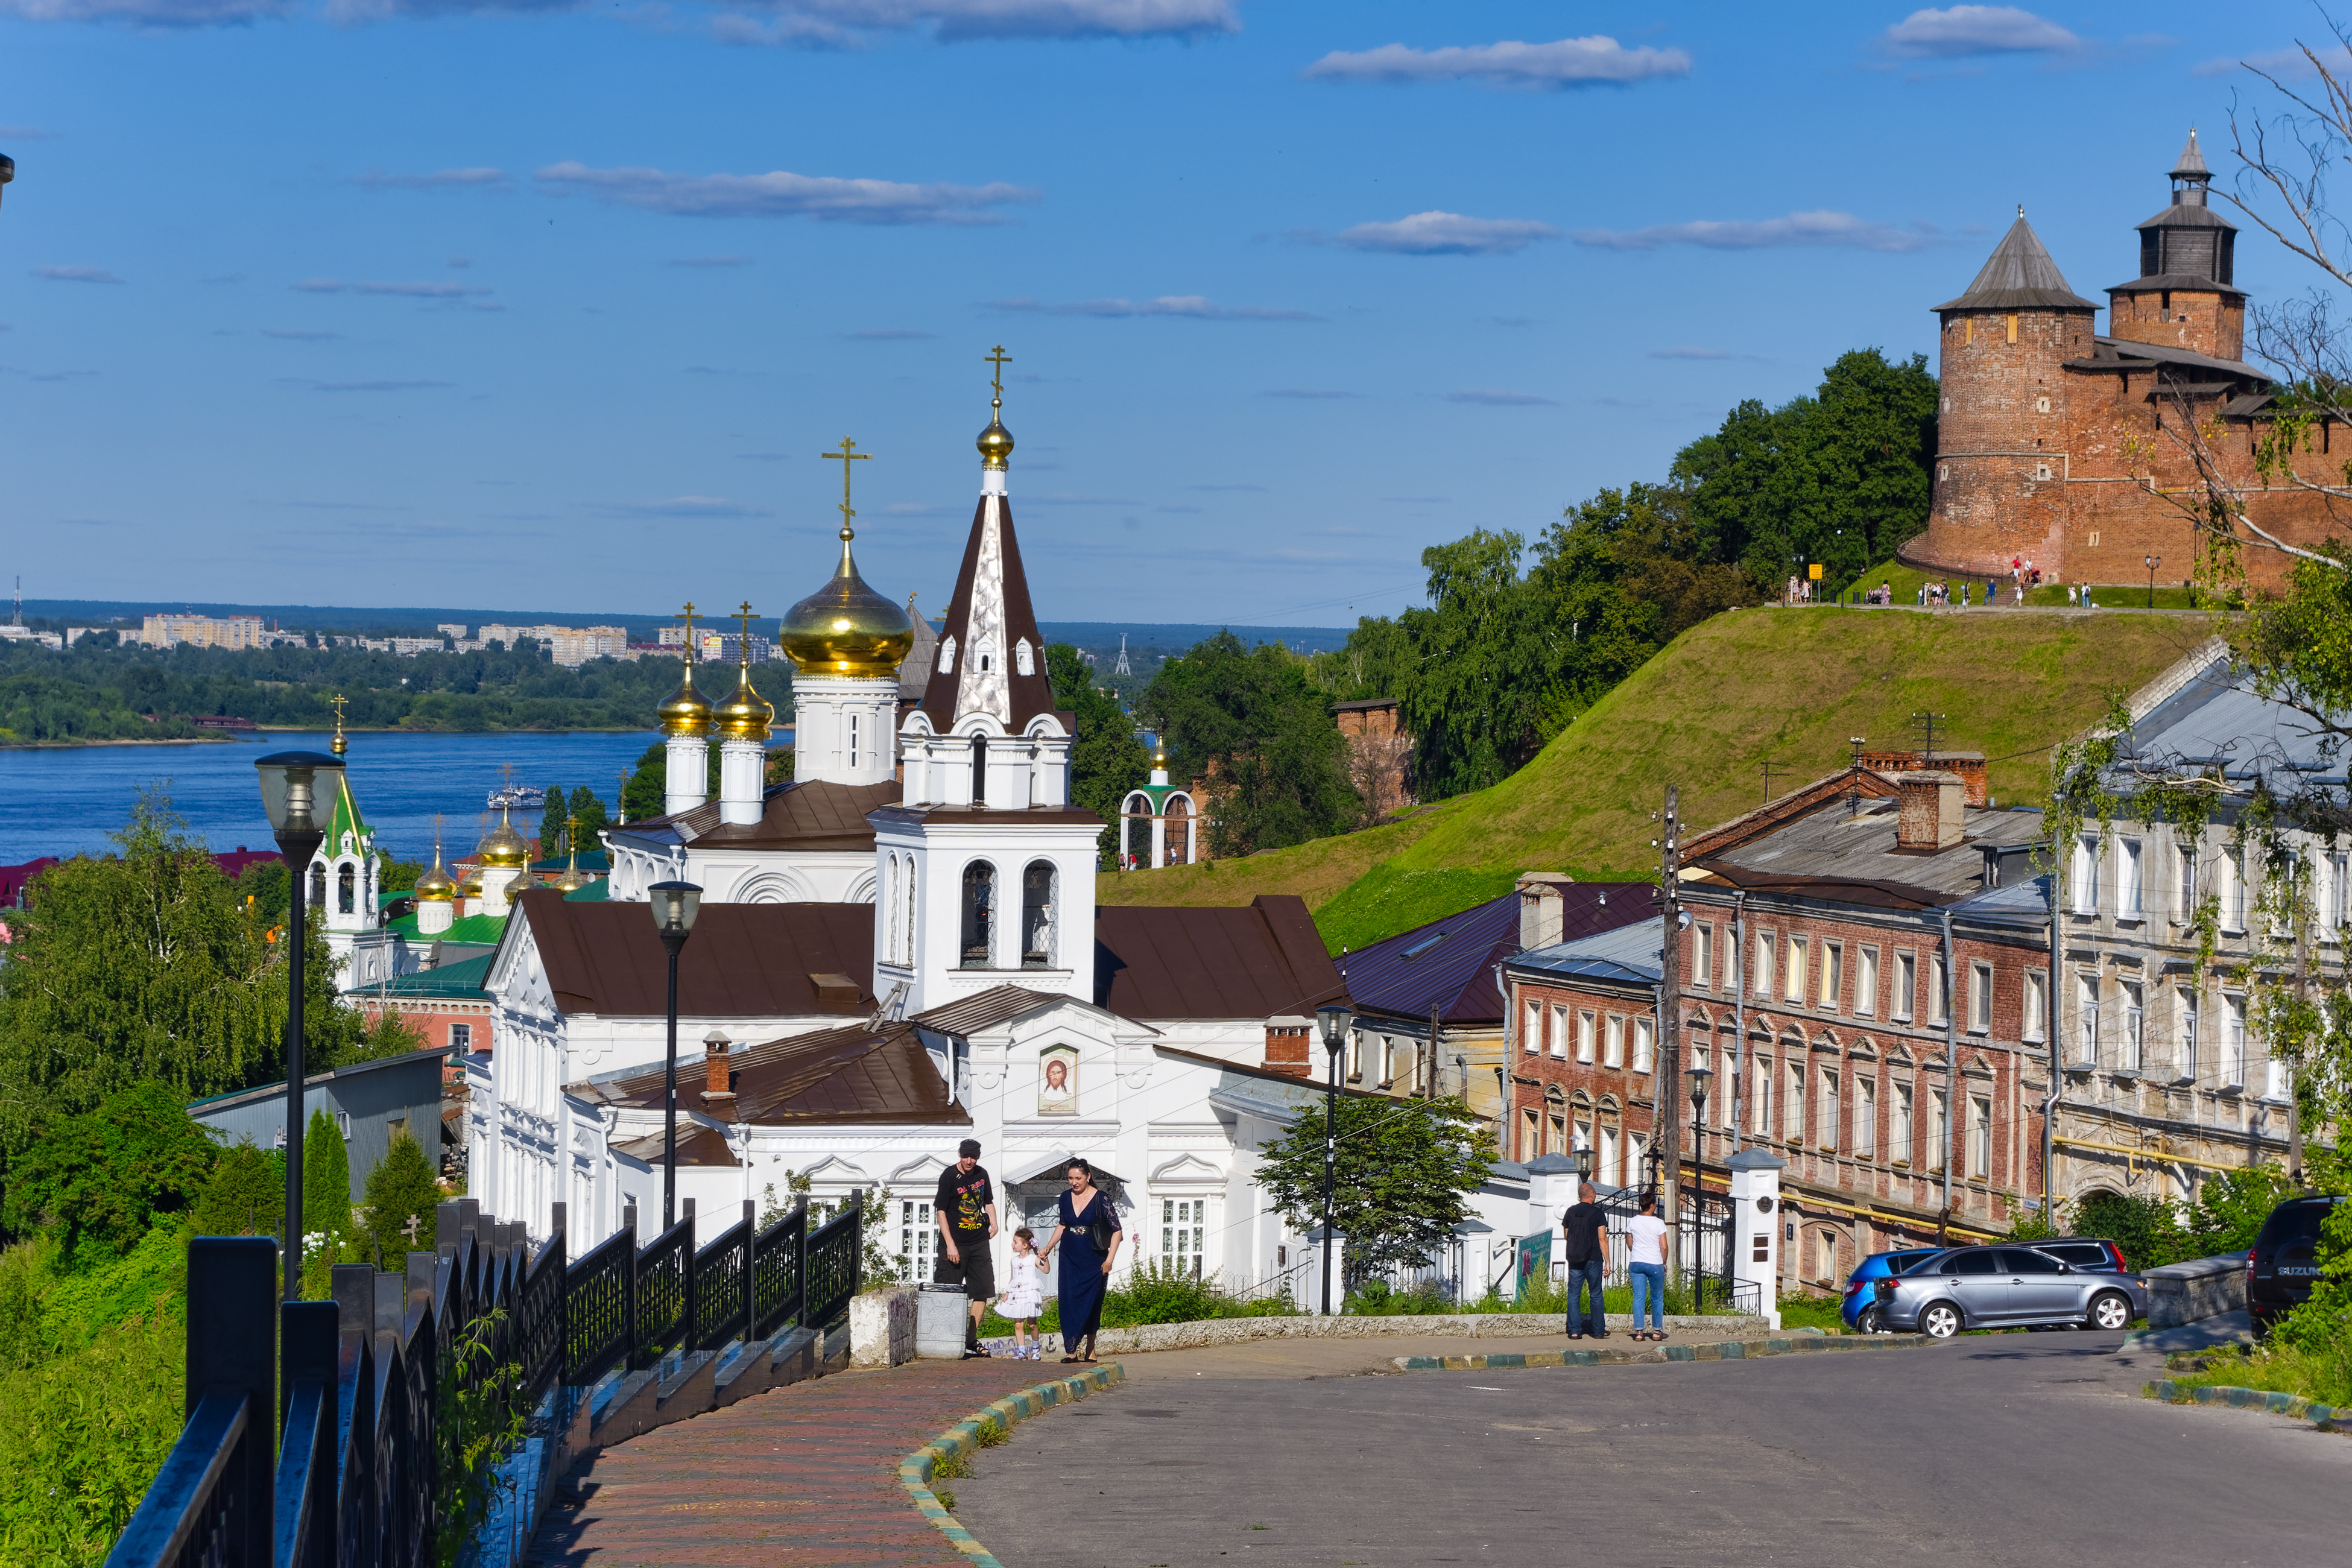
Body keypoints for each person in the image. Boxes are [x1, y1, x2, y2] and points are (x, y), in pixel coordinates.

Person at [1039, 1156, 1122, 1364]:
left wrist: (1109, 1260)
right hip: (1069, 1255)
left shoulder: (1100, 1198)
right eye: (1070, 1178)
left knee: (1092, 1303)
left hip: (1094, 1258)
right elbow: (1063, 1224)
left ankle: (1091, 1349)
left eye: (1078, 1178)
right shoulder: (1065, 1198)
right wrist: (1049, 1247)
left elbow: (1117, 1231)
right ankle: (1071, 1350)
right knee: (1068, 1301)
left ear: (1088, 1177)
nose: (1074, 1182)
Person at [934, 1138, 999, 1359]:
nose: (969, 1161)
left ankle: (971, 1339)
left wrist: (995, 1221)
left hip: (979, 1241)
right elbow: (940, 1211)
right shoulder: (949, 1176)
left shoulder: (982, 1174)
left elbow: (987, 1201)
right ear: (959, 1154)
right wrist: (950, 1244)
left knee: (982, 1292)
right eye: (966, 1156)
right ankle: (946, 1339)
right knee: (948, 1293)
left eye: (973, 1157)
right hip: (955, 1244)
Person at [1560, 1181, 1607, 1340]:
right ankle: (1599, 1331)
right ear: (1593, 1196)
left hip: (1575, 1259)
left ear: (1579, 1197)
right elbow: (1602, 1239)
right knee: (1595, 1294)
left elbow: (1566, 1236)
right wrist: (1607, 1261)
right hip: (1594, 1259)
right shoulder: (1598, 1213)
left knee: (1574, 1295)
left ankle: (1574, 1331)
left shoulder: (1570, 1212)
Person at [999, 1227, 1048, 1361]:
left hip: (1029, 1294)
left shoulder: (1033, 1259)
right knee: (1018, 1323)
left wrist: (1046, 1259)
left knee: (1032, 1323)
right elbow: (1013, 1278)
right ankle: (1021, 1351)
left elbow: (1046, 1270)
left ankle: (1036, 1350)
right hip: (1017, 1294)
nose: (1013, 1244)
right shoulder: (1014, 1261)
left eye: (1016, 1242)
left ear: (1025, 1245)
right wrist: (1007, 1293)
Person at [1625, 1193, 1669, 1342]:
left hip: (1636, 1263)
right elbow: (1664, 1246)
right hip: (1655, 1263)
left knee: (1639, 1297)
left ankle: (1639, 1332)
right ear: (1652, 1205)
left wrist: (1638, 1253)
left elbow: (1630, 1243)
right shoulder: (1659, 1223)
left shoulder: (1632, 1222)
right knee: (1657, 1297)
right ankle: (1657, 1331)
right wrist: (1663, 1263)